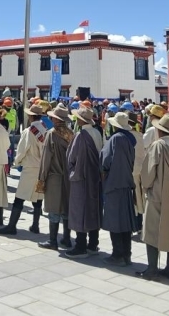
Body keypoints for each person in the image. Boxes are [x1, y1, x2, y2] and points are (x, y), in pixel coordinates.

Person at [138, 113, 169, 280]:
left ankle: (152, 269)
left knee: (151, 231)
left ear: (159, 130)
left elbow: (148, 172)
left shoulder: (158, 145)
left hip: (157, 194)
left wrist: (146, 187)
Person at [0, 103, 48, 235]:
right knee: (38, 197)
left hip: (30, 167)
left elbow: (22, 150)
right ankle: (35, 225)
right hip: (42, 167)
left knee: (20, 197)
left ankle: (12, 226)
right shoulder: (45, 128)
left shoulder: (29, 131)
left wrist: (17, 162)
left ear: (31, 116)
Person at [66, 105, 103, 258]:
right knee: (93, 209)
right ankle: (93, 244)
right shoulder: (98, 132)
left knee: (80, 209)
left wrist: (71, 171)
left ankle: (80, 245)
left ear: (80, 120)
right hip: (96, 176)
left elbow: (72, 157)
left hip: (81, 177)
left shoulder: (81, 135)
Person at [101, 111, 137, 266]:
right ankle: (127, 254)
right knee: (125, 221)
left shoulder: (114, 139)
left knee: (114, 220)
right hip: (127, 183)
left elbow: (105, 160)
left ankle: (117, 254)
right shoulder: (130, 140)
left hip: (113, 184)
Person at [36, 105, 73, 250]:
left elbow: (46, 159)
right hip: (69, 177)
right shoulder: (72, 134)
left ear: (56, 119)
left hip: (54, 177)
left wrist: (42, 178)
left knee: (54, 209)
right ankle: (67, 239)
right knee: (66, 209)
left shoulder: (51, 134)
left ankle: (53, 241)